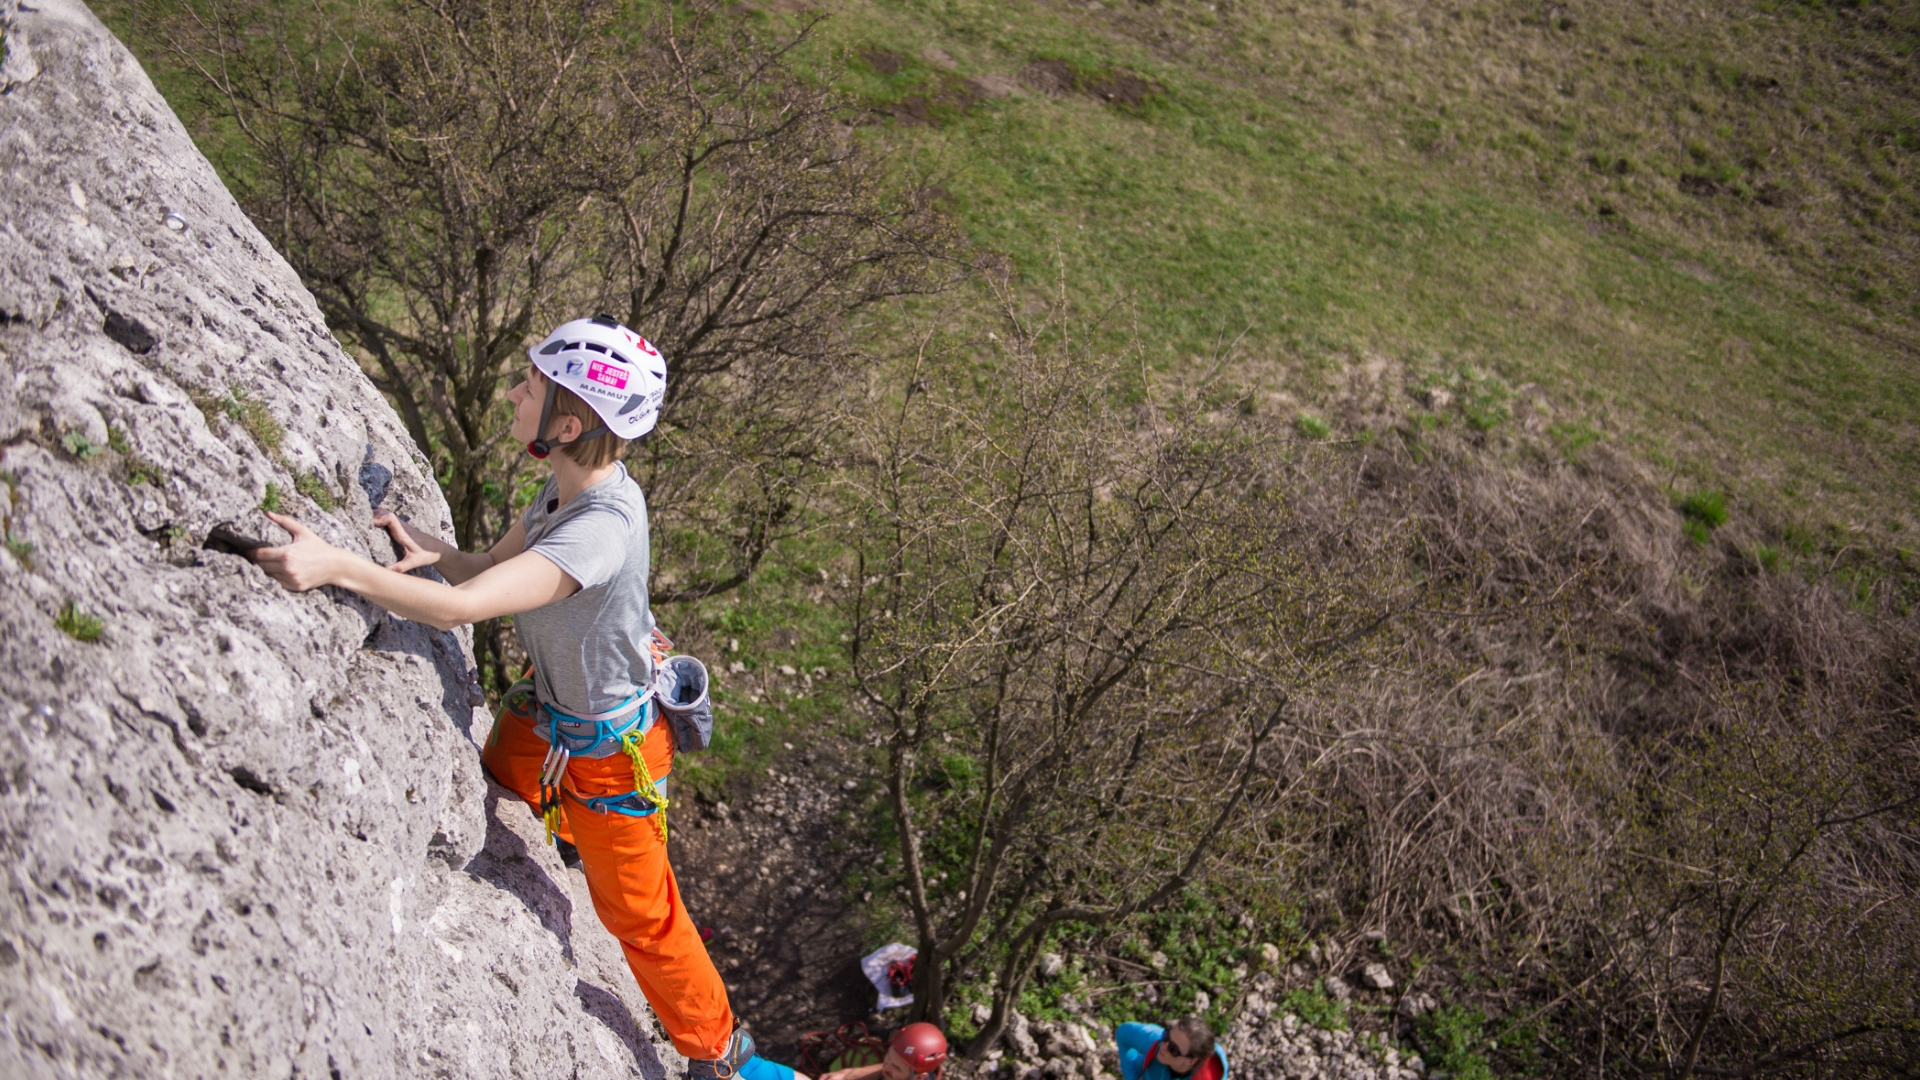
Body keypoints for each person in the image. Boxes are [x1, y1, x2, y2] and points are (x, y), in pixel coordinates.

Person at [251, 315, 753, 1079]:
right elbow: (481, 569)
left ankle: (720, 1055)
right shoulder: (567, 491)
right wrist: (415, 542)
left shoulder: (599, 530)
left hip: (611, 758)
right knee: (492, 781)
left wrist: (336, 566)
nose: (515, 392)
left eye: (531, 386)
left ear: (569, 421)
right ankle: (561, 840)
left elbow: (460, 609)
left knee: (639, 918)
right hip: (552, 715)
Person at [819, 1023, 949, 1080]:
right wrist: (846, 1075)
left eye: (896, 1068)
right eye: (889, 1057)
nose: (885, 1067)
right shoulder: (907, 1073)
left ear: (919, 1078)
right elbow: (886, 1068)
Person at [1114, 1017, 1227, 1080]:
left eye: (1173, 1049)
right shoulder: (1154, 1040)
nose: (1163, 1046)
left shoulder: (1209, 1076)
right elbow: (1123, 1033)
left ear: (1191, 1061)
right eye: (1167, 1036)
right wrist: (1132, 1076)